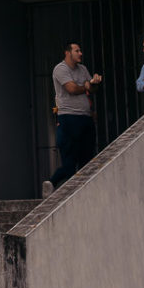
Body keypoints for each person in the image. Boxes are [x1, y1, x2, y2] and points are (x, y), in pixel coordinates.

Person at [50, 42, 102, 187]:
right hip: (68, 118)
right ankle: (51, 183)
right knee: (69, 163)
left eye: (80, 50)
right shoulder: (60, 69)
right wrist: (85, 86)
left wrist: (94, 83)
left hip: (85, 117)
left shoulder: (83, 68)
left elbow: (91, 89)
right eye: (77, 51)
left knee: (87, 160)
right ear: (67, 53)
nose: (80, 53)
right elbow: (71, 89)